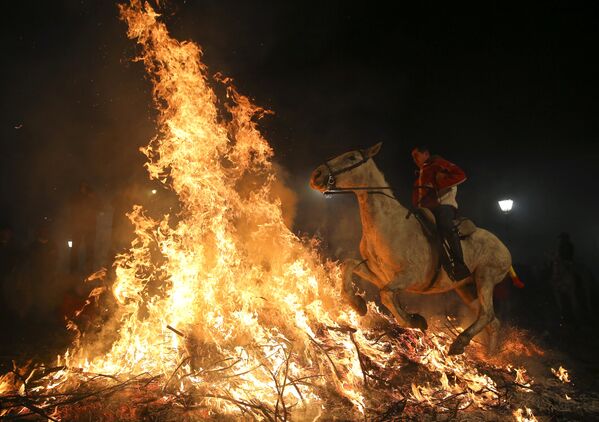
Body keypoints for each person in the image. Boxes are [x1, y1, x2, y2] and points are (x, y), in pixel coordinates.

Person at [411, 146, 471, 280]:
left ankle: (460, 266)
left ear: (426, 153)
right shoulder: (419, 175)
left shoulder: (438, 163)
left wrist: (438, 183)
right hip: (426, 210)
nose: (414, 159)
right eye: (413, 157)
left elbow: (461, 175)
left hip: (443, 206)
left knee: (445, 226)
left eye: (416, 155)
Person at [69, 182, 101, 274]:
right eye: (82, 187)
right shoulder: (76, 196)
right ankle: (73, 270)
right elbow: (71, 206)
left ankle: (89, 270)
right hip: (77, 226)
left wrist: (93, 198)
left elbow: (99, 207)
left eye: (85, 186)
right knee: (75, 248)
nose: (83, 188)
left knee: (90, 248)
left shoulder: (92, 196)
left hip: (90, 227)